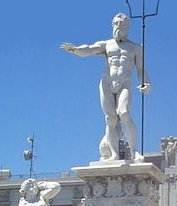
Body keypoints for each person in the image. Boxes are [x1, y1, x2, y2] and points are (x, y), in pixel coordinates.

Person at [60, 13, 151, 161]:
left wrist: (146, 84)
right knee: (110, 118)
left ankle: (134, 152)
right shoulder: (107, 45)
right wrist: (75, 49)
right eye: (115, 24)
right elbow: (90, 49)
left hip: (125, 84)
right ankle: (114, 154)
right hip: (107, 82)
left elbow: (141, 69)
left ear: (127, 27)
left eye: (121, 24)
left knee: (124, 113)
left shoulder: (136, 48)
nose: (118, 27)